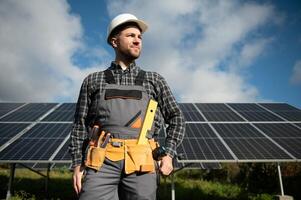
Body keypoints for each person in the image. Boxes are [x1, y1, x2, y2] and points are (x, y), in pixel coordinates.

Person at [69, 13, 185, 200]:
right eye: (131, 36)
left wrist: (169, 154)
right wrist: (77, 164)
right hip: (100, 161)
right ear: (114, 42)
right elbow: (79, 125)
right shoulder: (93, 80)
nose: (138, 41)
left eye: (140, 37)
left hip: (143, 161)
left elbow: (177, 118)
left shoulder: (154, 80)